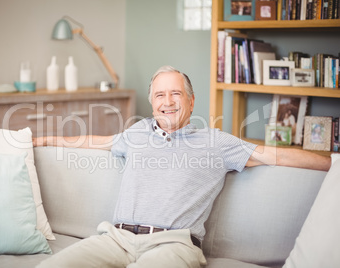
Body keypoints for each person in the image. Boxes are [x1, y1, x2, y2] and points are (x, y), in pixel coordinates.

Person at [34, 66, 330, 268]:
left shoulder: (216, 142)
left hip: (173, 245)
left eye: (175, 93)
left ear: (190, 101)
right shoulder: (136, 133)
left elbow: (276, 156)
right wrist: (46, 139)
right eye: (160, 95)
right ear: (152, 104)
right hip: (116, 238)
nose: (168, 101)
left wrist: (334, 163)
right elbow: (96, 141)